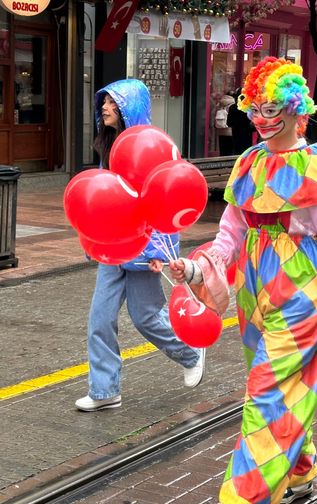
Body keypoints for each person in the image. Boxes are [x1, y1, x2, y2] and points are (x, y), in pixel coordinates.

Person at [168, 58, 317, 503]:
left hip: (301, 288)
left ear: (297, 111)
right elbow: (229, 236)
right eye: (255, 106)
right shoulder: (249, 162)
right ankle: (299, 468)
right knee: (281, 385)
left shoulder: (315, 166)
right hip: (253, 289)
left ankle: (246, 495)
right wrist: (198, 269)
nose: (260, 117)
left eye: (272, 106)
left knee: (267, 393)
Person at [77, 79, 205, 412]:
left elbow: (163, 204)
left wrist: (159, 254)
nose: (105, 108)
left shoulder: (151, 146)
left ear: (129, 107)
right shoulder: (109, 145)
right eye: (103, 102)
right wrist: (95, 238)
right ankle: (105, 391)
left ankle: (190, 352)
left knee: (146, 317)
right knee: (100, 319)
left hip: (144, 253)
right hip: (113, 248)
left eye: (113, 103)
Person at [227, 87, 255, 155]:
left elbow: (229, 123)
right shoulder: (249, 108)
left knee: (237, 152)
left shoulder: (232, 107)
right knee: (246, 152)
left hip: (236, 134)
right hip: (247, 134)